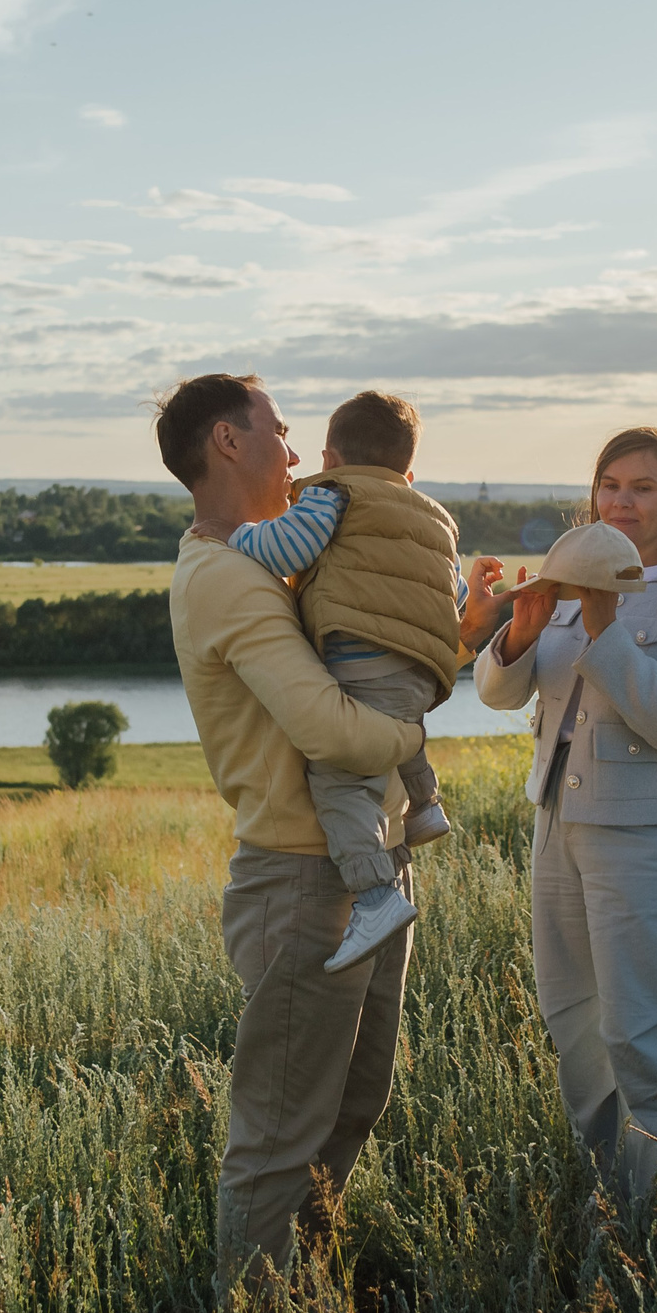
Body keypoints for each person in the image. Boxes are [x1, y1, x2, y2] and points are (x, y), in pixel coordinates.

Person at [155, 372, 494, 1289]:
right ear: (229, 442)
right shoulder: (223, 575)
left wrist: (461, 635)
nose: (298, 454)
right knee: (278, 1133)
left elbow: (370, 658)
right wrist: (419, 726)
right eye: (281, 432)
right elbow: (334, 729)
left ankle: (307, 1292)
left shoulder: (284, 562)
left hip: (369, 862)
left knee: (352, 1103)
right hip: (302, 880)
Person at [474, 426, 657, 1198]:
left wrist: (602, 625)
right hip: (556, 828)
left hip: (647, 840)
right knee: (577, 1027)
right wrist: (518, 640)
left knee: (653, 1033)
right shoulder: (576, 575)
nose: (621, 501)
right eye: (609, 484)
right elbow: (502, 692)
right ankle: (624, 1203)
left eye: (642, 487)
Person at [221, 390, 482, 974]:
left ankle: (374, 896)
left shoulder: (331, 493)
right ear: (407, 472)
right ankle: (424, 805)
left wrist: (237, 539)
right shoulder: (436, 519)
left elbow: (291, 545)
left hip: (361, 659)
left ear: (330, 457)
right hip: (422, 667)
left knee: (339, 783)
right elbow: (453, 594)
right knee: (400, 722)